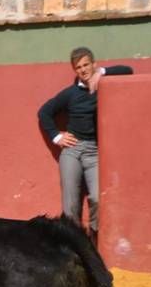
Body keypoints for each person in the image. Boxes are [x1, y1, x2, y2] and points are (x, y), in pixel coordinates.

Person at [38, 47, 133, 246]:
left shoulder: (104, 85)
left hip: (93, 152)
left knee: (98, 199)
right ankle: (73, 248)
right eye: (78, 67)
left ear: (93, 64)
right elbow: (44, 112)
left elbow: (128, 70)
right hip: (72, 151)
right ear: (75, 70)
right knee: (70, 206)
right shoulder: (70, 94)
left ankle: (92, 241)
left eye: (86, 65)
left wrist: (102, 74)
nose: (82, 70)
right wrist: (57, 137)